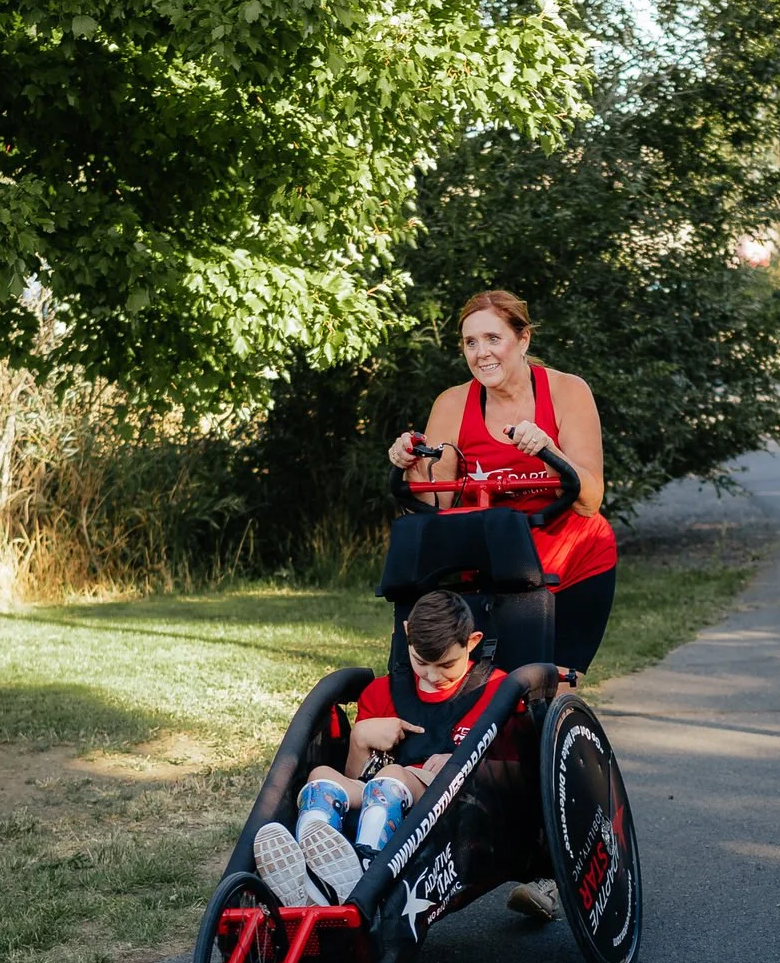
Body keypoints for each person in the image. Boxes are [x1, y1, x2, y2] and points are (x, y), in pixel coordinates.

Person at [249, 589, 553, 918]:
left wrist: (462, 763)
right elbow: (356, 779)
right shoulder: (381, 693)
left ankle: (364, 878)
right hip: (380, 793)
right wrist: (360, 740)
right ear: (407, 635)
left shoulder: (497, 691)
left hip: (455, 806)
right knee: (320, 777)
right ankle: (311, 880)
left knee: (390, 777)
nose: (434, 676)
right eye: (422, 662)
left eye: (447, 664)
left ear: (473, 641)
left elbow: (514, 774)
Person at [388, 290, 618, 672]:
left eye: (493, 339)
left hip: (569, 555)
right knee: (478, 681)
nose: (482, 353)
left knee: (545, 685)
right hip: (490, 555)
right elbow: (436, 505)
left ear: (523, 339)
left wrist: (549, 452)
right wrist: (409, 461)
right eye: (471, 342)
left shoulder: (567, 392)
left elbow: (590, 499)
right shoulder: (452, 403)